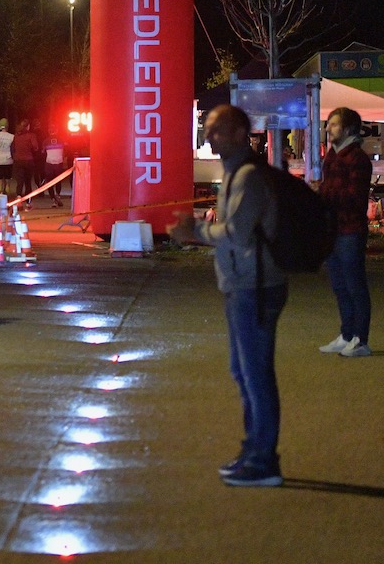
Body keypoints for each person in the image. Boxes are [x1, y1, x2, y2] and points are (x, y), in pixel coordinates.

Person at [167, 104, 286, 487]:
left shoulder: (249, 176)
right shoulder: (238, 172)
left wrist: (194, 233)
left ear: (239, 133)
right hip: (245, 284)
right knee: (245, 371)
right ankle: (254, 450)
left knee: (255, 374)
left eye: (215, 131)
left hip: (256, 286)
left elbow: (237, 233)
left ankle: (264, 459)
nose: (208, 138)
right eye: (207, 131)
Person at [317, 106, 374, 357]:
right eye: (328, 123)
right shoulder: (332, 155)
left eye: (334, 124)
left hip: (350, 230)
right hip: (332, 229)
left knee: (355, 285)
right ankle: (347, 334)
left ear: (349, 129)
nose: (328, 128)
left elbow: (354, 197)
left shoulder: (357, 158)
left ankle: (361, 340)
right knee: (339, 285)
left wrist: (323, 196)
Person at [12, 119, 42, 201]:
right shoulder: (31, 135)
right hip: (28, 160)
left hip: (18, 160)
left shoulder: (16, 136)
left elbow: (13, 148)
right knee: (28, 181)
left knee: (19, 180)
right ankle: (28, 198)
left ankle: (18, 196)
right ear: (28, 126)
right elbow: (35, 147)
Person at [43, 131, 66, 207]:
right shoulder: (62, 140)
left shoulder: (45, 141)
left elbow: (43, 152)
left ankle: (53, 200)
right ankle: (58, 196)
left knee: (50, 183)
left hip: (49, 164)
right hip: (59, 163)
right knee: (58, 182)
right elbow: (65, 151)